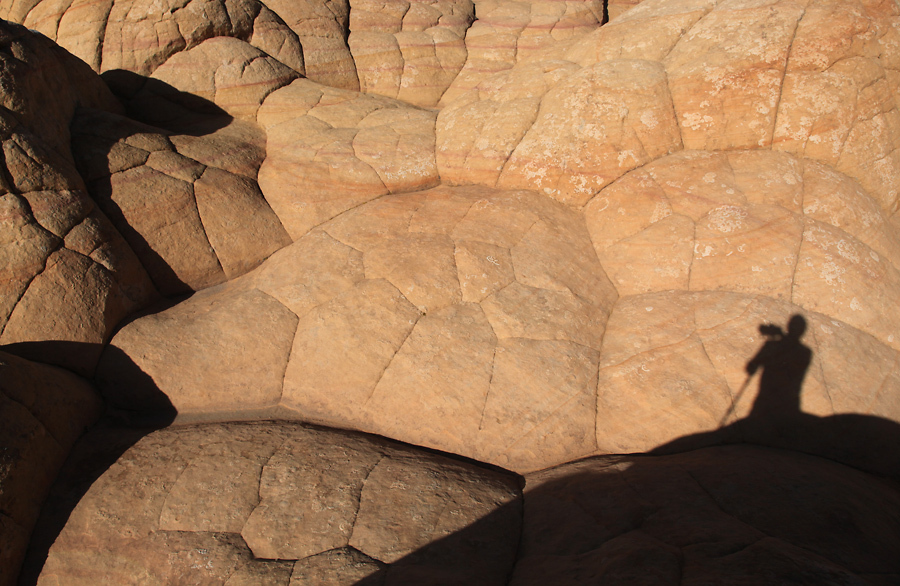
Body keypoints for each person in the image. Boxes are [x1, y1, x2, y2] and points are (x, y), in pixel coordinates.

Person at [745, 314, 812, 422]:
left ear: (788, 327)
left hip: (765, 402)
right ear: (803, 331)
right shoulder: (806, 352)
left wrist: (778, 338)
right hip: (789, 405)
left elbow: (750, 369)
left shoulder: (773, 346)